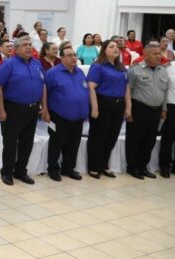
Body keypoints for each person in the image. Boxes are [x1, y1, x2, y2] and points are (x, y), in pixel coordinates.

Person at [0, 36, 48, 186]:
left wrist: (44, 107)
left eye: (30, 45)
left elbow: (43, 85)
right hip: (13, 109)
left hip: (32, 109)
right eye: (25, 45)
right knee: (11, 143)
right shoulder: (8, 64)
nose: (29, 47)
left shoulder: (37, 64)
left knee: (27, 142)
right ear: (16, 49)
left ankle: (20, 171)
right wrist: (1, 109)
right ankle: (7, 172)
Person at [86, 39, 131, 179]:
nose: (115, 49)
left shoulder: (122, 68)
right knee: (98, 137)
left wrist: (128, 106)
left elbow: (126, 88)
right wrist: (95, 107)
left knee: (112, 137)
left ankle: (104, 164)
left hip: (118, 105)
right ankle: (94, 166)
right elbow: (91, 87)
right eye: (111, 47)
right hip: (102, 103)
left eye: (117, 47)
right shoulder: (98, 66)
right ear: (104, 50)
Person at [125, 41, 169, 179]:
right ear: (146, 55)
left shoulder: (163, 70)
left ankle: (143, 166)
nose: (159, 57)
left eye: (159, 54)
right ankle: (132, 167)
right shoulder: (134, 70)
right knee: (135, 139)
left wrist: (164, 109)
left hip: (156, 111)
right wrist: (129, 110)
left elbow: (165, 91)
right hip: (139, 109)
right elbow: (128, 91)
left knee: (149, 141)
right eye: (155, 54)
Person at [44, 46, 88, 182]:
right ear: (62, 58)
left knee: (73, 145)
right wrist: (45, 110)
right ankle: (53, 169)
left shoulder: (80, 72)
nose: (74, 58)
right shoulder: (52, 73)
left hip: (78, 116)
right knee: (56, 144)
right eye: (69, 55)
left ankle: (68, 169)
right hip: (59, 116)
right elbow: (45, 92)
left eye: (74, 55)